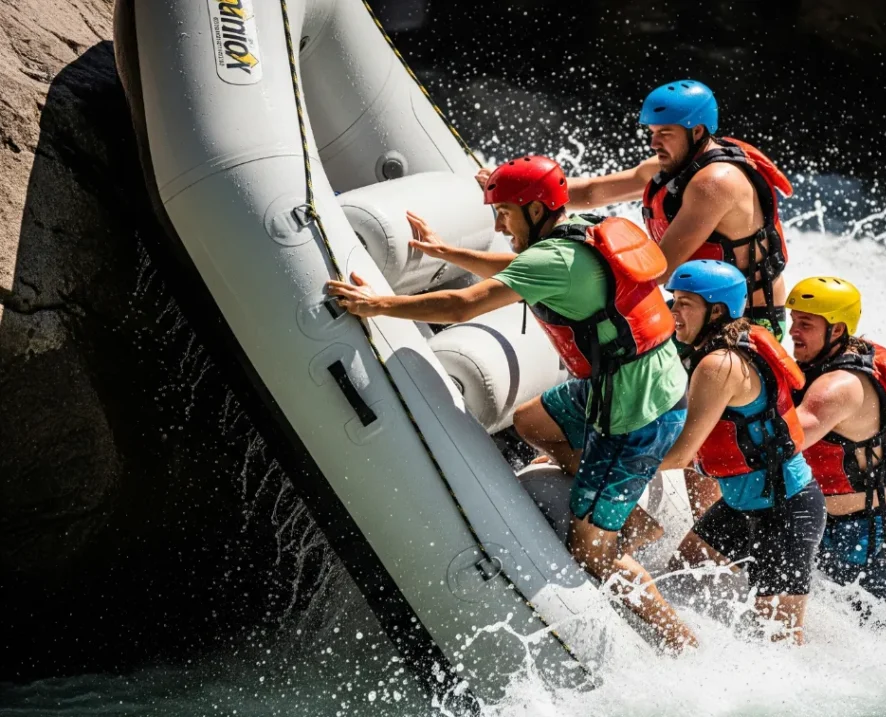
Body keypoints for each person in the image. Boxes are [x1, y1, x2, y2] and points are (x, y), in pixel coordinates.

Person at [327, 155, 697, 650]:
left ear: (537, 208)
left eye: (505, 212)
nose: (498, 224)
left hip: (634, 414)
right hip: (639, 384)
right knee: (533, 420)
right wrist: (447, 251)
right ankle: (626, 514)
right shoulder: (575, 232)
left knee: (592, 553)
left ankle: (678, 640)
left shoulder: (553, 259)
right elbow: (519, 270)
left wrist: (380, 305)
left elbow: (464, 306)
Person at [475, 80, 794, 341]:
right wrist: (519, 188)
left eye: (665, 134)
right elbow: (590, 192)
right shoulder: (673, 166)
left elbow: (660, 269)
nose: (654, 143)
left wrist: (573, 270)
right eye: (652, 133)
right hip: (697, 308)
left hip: (745, 321)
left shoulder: (714, 183)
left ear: (697, 132)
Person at [659, 260, 826, 644]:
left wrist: (608, 462)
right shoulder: (723, 344)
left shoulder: (720, 363)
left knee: (779, 641)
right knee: (681, 577)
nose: (674, 313)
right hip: (741, 504)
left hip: (785, 509)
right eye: (674, 302)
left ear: (716, 311)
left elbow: (683, 454)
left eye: (685, 303)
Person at [787, 277, 886, 603]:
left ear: (837, 330)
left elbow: (784, 440)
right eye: (792, 320)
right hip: (830, 520)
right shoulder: (824, 360)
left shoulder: (841, 386)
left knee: (859, 635)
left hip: (867, 531)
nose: (792, 331)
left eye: (805, 323)